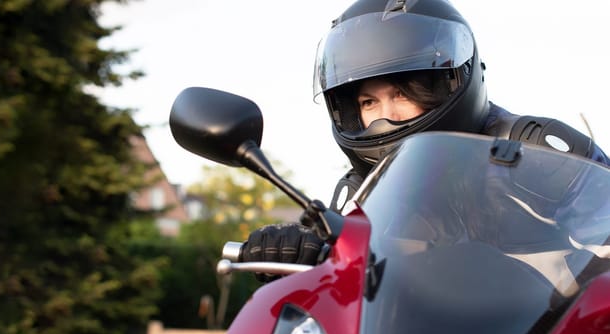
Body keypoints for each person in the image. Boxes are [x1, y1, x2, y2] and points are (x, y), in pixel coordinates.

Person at [239, 0, 610, 277]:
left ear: (445, 86)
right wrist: (294, 251)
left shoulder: (539, 157)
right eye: (369, 101)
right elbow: (342, 278)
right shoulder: (364, 192)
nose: (385, 115)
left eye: (401, 94)